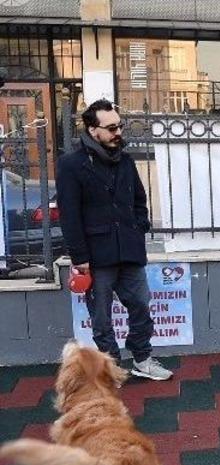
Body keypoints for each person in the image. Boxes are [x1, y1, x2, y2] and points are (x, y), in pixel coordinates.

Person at [57, 99, 173, 381]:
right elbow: (69, 215)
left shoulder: (126, 160)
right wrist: (80, 257)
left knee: (141, 304)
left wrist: (139, 227)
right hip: (96, 256)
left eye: (119, 126)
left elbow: (139, 200)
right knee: (101, 318)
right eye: (111, 128)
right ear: (92, 129)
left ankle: (143, 359)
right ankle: (112, 368)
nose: (118, 132)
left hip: (130, 250)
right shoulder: (71, 164)